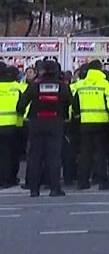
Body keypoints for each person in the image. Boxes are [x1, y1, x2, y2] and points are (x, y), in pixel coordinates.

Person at [17, 60, 71, 197]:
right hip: (55, 123)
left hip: (37, 123)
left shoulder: (35, 85)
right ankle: (55, 189)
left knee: (35, 157)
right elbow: (72, 103)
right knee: (54, 157)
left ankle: (34, 190)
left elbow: (21, 105)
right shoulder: (62, 86)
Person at [70, 60, 109, 190]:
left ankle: (82, 182)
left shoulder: (80, 85)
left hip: (85, 123)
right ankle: (102, 181)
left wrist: (77, 116)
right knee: (101, 154)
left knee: (85, 154)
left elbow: (74, 104)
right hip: (102, 123)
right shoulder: (105, 84)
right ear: (100, 69)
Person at [0, 65, 26, 188]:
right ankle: (9, 179)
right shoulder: (18, 88)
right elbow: (23, 107)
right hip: (13, 126)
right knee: (11, 155)